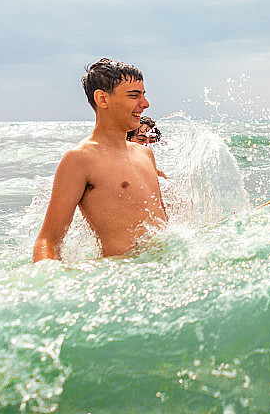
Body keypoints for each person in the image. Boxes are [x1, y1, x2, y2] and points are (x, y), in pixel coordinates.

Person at [33, 58, 168, 262]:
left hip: (166, 271)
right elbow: (48, 241)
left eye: (144, 95)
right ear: (102, 99)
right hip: (124, 276)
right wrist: (47, 283)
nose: (145, 104)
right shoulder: (80, 159)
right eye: (134, 96)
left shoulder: (145, 155)